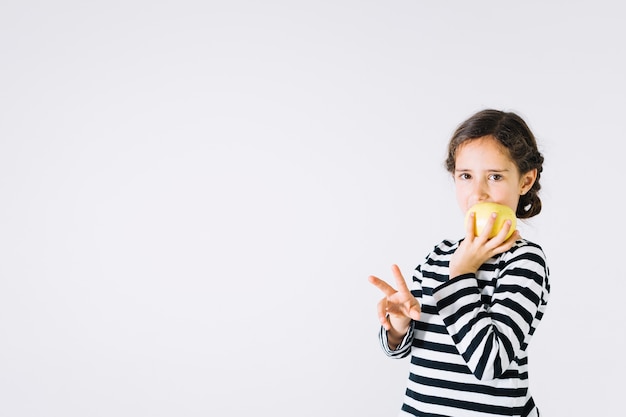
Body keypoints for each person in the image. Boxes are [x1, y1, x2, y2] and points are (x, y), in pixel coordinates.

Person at [368, 109, 550, 417]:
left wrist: (461, 275)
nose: (477, 193)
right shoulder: (438, 255)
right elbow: (414, 348)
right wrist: (399, 328)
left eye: (495, 176)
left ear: (525, 181)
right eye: (466, 176)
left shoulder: (525, 261)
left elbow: (489, 363)